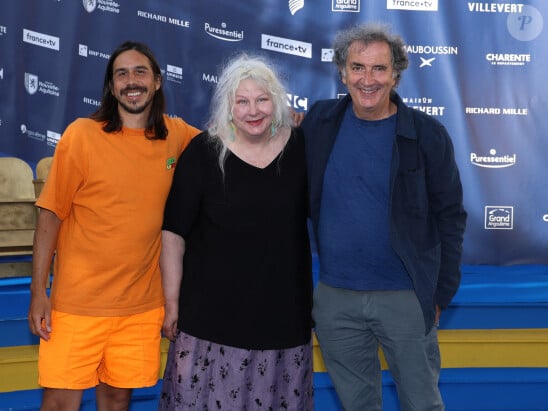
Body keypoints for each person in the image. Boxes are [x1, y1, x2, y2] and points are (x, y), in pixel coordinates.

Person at [301, 23, 467, 411]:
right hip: (336, 299)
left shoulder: (426, 134)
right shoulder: (320, 122)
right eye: (358, 67)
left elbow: (451, 216)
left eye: (379, 69)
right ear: (342, 73)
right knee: (358, 405)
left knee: (422, 404)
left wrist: (440, 292)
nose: (368, 79)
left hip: (405, 297)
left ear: (396, 73)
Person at [27, 41, 200, 410]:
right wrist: (38, 291)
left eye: (140, 72)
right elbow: (50, 214)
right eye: (121, 74)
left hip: (140, 308)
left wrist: (289, 123)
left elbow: (233, 146)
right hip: (76, 306)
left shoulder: (178, 135)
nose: (131, 81)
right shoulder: (81, 135)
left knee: (118, 400)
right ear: (111, 86)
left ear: (157, 82)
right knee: (59, 402)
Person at [158, 53, 313, 410]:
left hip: (283, 320)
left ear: (277, 101)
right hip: (208, 323)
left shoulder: (303, 148)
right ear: (228, 107)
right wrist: (171, 303)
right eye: (242, 101)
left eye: (262, 99)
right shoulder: (202, 153)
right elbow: (173, 234)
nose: (253, 110)